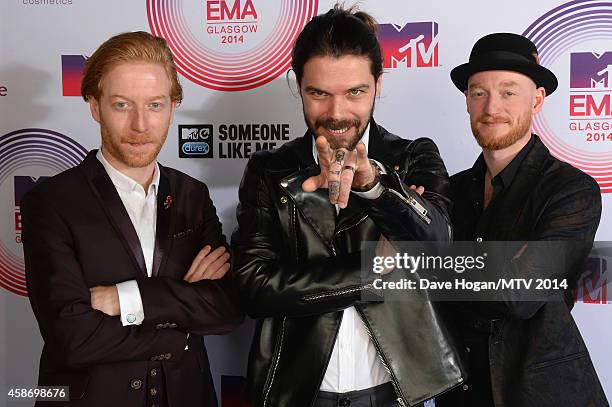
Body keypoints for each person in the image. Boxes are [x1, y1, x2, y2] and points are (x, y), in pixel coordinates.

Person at [231, 5, 466, 407]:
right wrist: (370, 273)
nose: (337, 114)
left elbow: (437, 248)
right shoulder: (270, 170)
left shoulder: (413, 157)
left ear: (378, 83)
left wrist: (374, 185)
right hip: (298, 392)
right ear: (297, 85)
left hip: (393, 394)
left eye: (355, 92)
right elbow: (253, 287)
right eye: (318, 93)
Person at [21, 31, 243, 407]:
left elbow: (226, 308)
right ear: (94, 105)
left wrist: (126, 298)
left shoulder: (192, 194)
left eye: (155, 105)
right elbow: (73, 338)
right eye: (122, 105)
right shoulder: (50, 202)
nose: (141, 125)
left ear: (173, 106)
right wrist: (182, 327)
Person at [436, 33, 608, 407]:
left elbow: (518, 295)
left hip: (541, 394)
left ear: (537, 99)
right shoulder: (450, 190)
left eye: (509, 92)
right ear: (466, 101)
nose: (491, 107)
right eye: (478, 92)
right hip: (461, 391)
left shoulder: (572, 190)